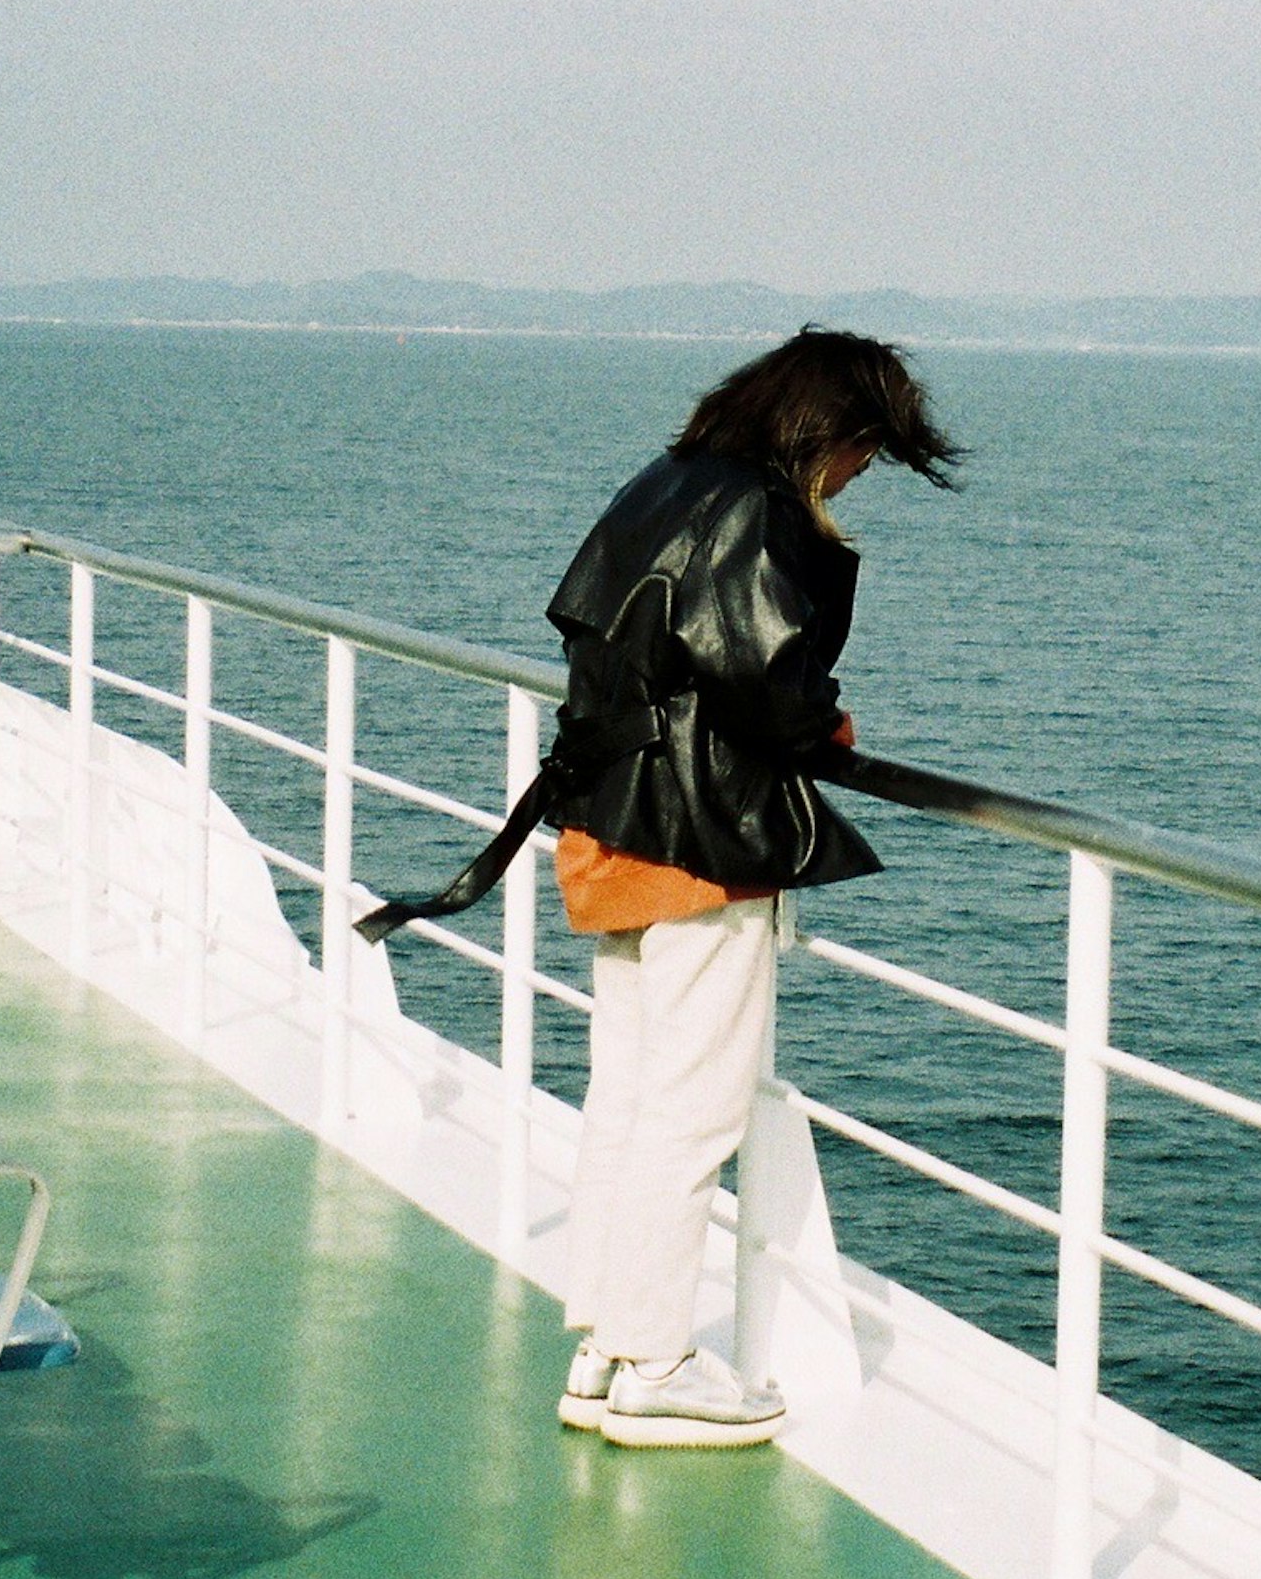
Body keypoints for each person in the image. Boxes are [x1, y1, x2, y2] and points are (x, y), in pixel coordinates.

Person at [357, 327, 962, 1448]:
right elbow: (765, 677)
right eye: (865, 450)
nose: (860, 473)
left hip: (613, 821)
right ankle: (656, 1364)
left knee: (632, 1100)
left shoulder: (665, 481)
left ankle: (604, 1346)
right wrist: (825, 721)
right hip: (703, 837)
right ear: (830, 427)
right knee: (694, 1110)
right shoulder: (756, 507)